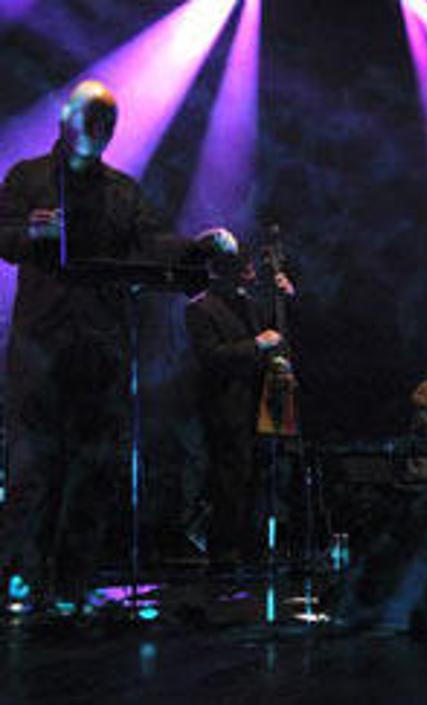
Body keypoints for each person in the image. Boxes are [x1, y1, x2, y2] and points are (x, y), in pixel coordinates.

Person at [0, 80, 232, 611]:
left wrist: (197, 247)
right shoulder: (28, 177)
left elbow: (151, 242)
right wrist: (28, 234)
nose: (98, 127)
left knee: (93, 470)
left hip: (101, 348)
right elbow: (2, 233)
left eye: (107, 119)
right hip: (40, 348)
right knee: (33, 470)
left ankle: (73, 586)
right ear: (66, 119)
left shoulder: (123, 191)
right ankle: (20, 581)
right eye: (90, 115)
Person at [184, 234, 296, 566]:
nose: (251, 274)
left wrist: (285, 298)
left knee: (259, 475)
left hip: (260, 399)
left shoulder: (248, 303)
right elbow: (211, 356)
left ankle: (252, 547)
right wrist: (256, 345)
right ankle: (224, 550)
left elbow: (275, 332)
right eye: (244, 269)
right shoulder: (200, 307)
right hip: (225, 404)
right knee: (231, 476)